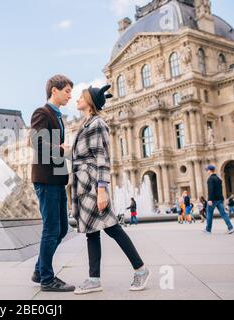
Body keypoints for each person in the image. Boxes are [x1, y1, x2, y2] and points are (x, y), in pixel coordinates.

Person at [71, 84, 150, 295]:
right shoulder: (86, 124)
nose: (77, 99)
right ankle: (94, 278)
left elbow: (102, 158)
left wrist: (102, 189)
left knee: (112, 228)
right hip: (85, 185)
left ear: (90, 101)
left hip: (93, 185)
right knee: (92, 232)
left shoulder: (98, 124)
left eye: (80, 96)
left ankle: (140, 269)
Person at [30, 75, 75, 292]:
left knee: (62, 228)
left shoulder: (57, 117)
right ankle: (47, 279)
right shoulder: (42, 112)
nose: (70, 95)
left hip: (56, 180)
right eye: (67, 91)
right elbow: (37, 142)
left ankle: (40, 269)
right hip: (46, 180)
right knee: (51, 228)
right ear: (54, 91)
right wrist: (61, 150)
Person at [204, 165, 234, 234]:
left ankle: (208, 230)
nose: (207, 171)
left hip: (213, 199)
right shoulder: (218, 179)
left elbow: (210, 190)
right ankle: (230, 228)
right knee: (224, 214)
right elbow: (220, 190)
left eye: (207, 170)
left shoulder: (210, 179)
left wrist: (209, 199)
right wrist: (222, 198)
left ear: (209, 170)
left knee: (209, 214)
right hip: (219, 199)